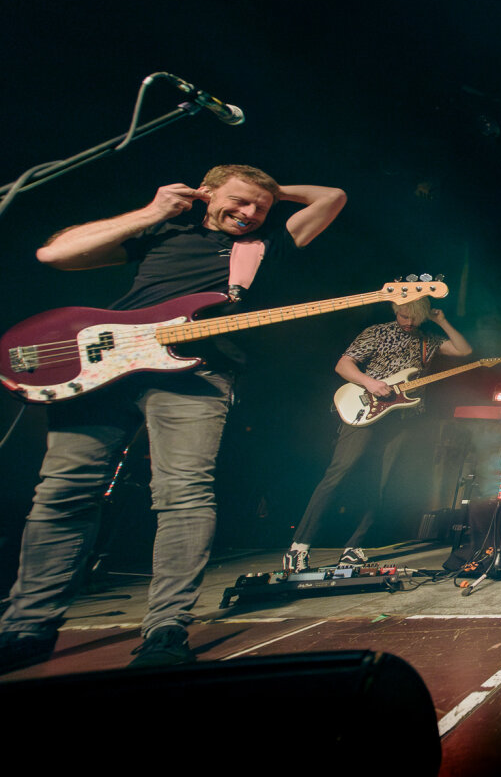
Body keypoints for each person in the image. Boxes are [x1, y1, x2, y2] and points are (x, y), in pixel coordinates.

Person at [0, 165, 346, 672]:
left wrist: (271, 191)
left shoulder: (272, 241)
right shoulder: (164, 228)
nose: (250, 213)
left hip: (197, 373)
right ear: (205, 194)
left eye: (261, 207)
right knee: (63, 491)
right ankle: (26, 626)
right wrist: (152, 211)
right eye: (239, 201)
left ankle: (166, 626)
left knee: (183, 492)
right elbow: (55, 253)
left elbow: (332, 193)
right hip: (104, 365)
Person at [283, 298, 471, 571]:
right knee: (340, 471)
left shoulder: (428, 340)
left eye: (414, 318)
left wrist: (441, 320)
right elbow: (343, 365)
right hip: (365, 409)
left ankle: (354, 547)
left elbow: (464, 350)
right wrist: (370, 382)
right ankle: (298, 547)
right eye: (403, 316)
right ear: (395, 311)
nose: (408, 323)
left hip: (402, 418)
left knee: (382, 481)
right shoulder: (377, 332)